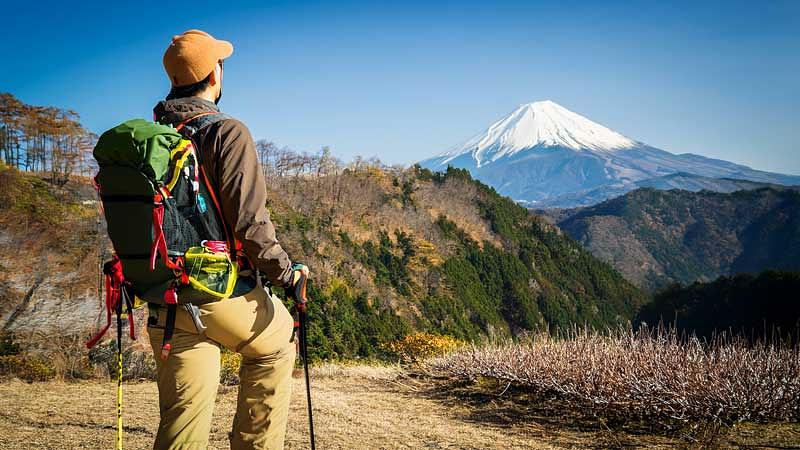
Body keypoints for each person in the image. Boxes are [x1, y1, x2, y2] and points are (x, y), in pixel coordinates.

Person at [146, 29, 307, 450]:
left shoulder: (153, 138)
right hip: (219, 294)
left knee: (182, 424)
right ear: (213, 75)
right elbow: (251, 227)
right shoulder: (226, 132)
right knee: (276, 344)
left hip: (165, 298)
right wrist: (288, 276)